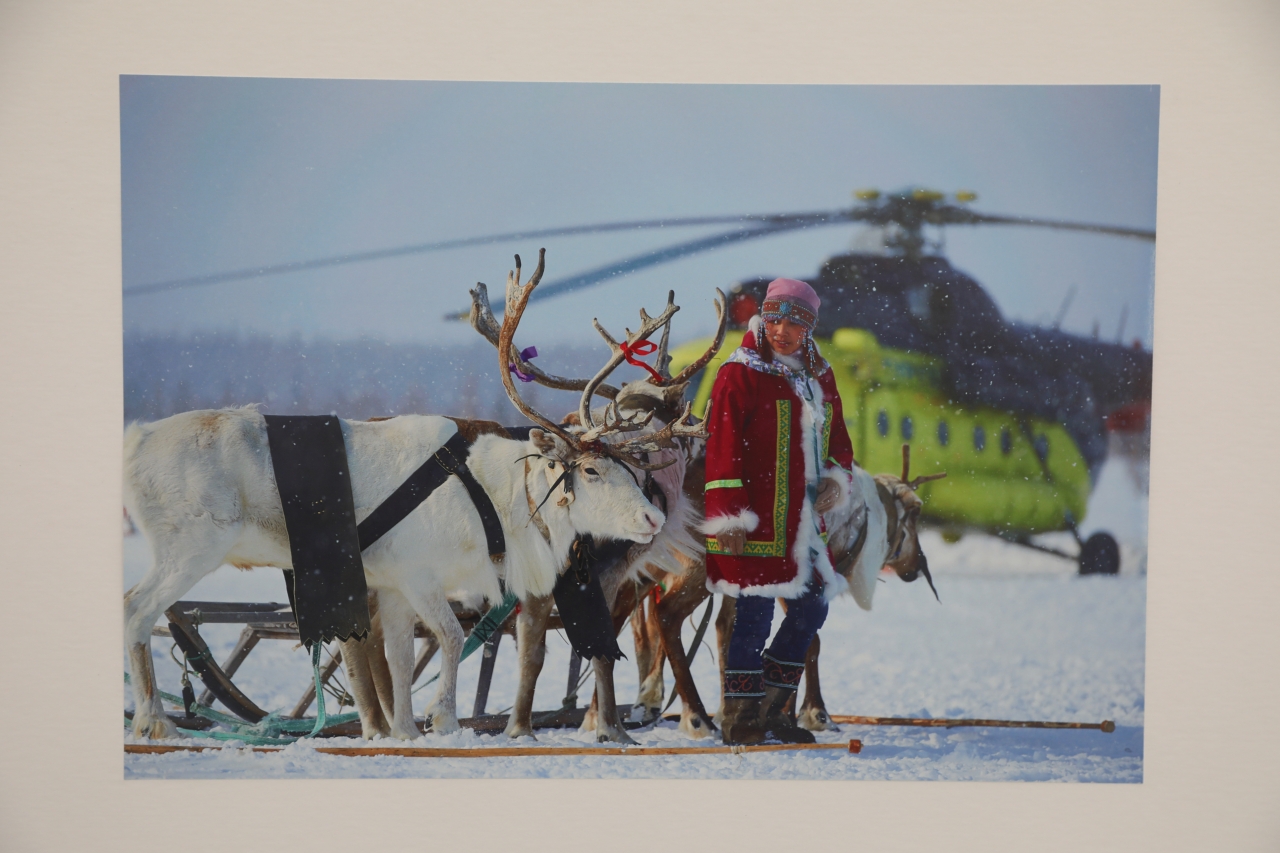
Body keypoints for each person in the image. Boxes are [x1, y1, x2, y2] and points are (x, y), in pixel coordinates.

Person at [701, 277, 860, 744]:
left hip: (804, 524)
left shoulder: (819, 375)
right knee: (753, 616)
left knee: (813, 607)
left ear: (809, 328)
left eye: (794, 324)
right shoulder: (739, 372)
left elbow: (838, 438)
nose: (782, 332)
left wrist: (835, 478)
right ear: (764, 318)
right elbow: (722, 447)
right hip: (756, 520)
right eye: (774, 320)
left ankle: (771, 707)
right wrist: (729, 515)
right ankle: (740, 717)